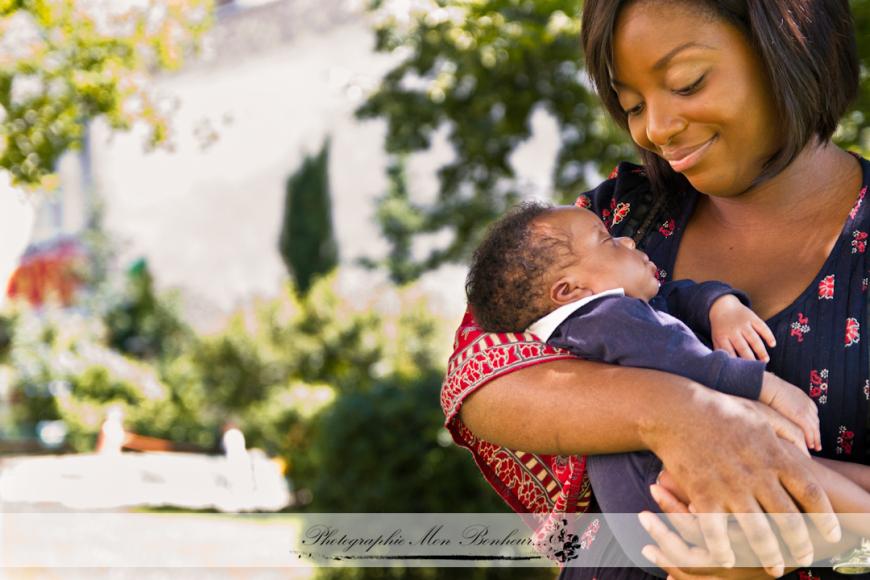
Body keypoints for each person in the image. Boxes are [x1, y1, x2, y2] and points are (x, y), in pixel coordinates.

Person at [440, 0, 870, 578]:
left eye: (686, 83)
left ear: (790, 46)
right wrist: (679, 413)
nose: (656, 128)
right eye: (633, 104)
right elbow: (480, 379)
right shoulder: (616, 220)